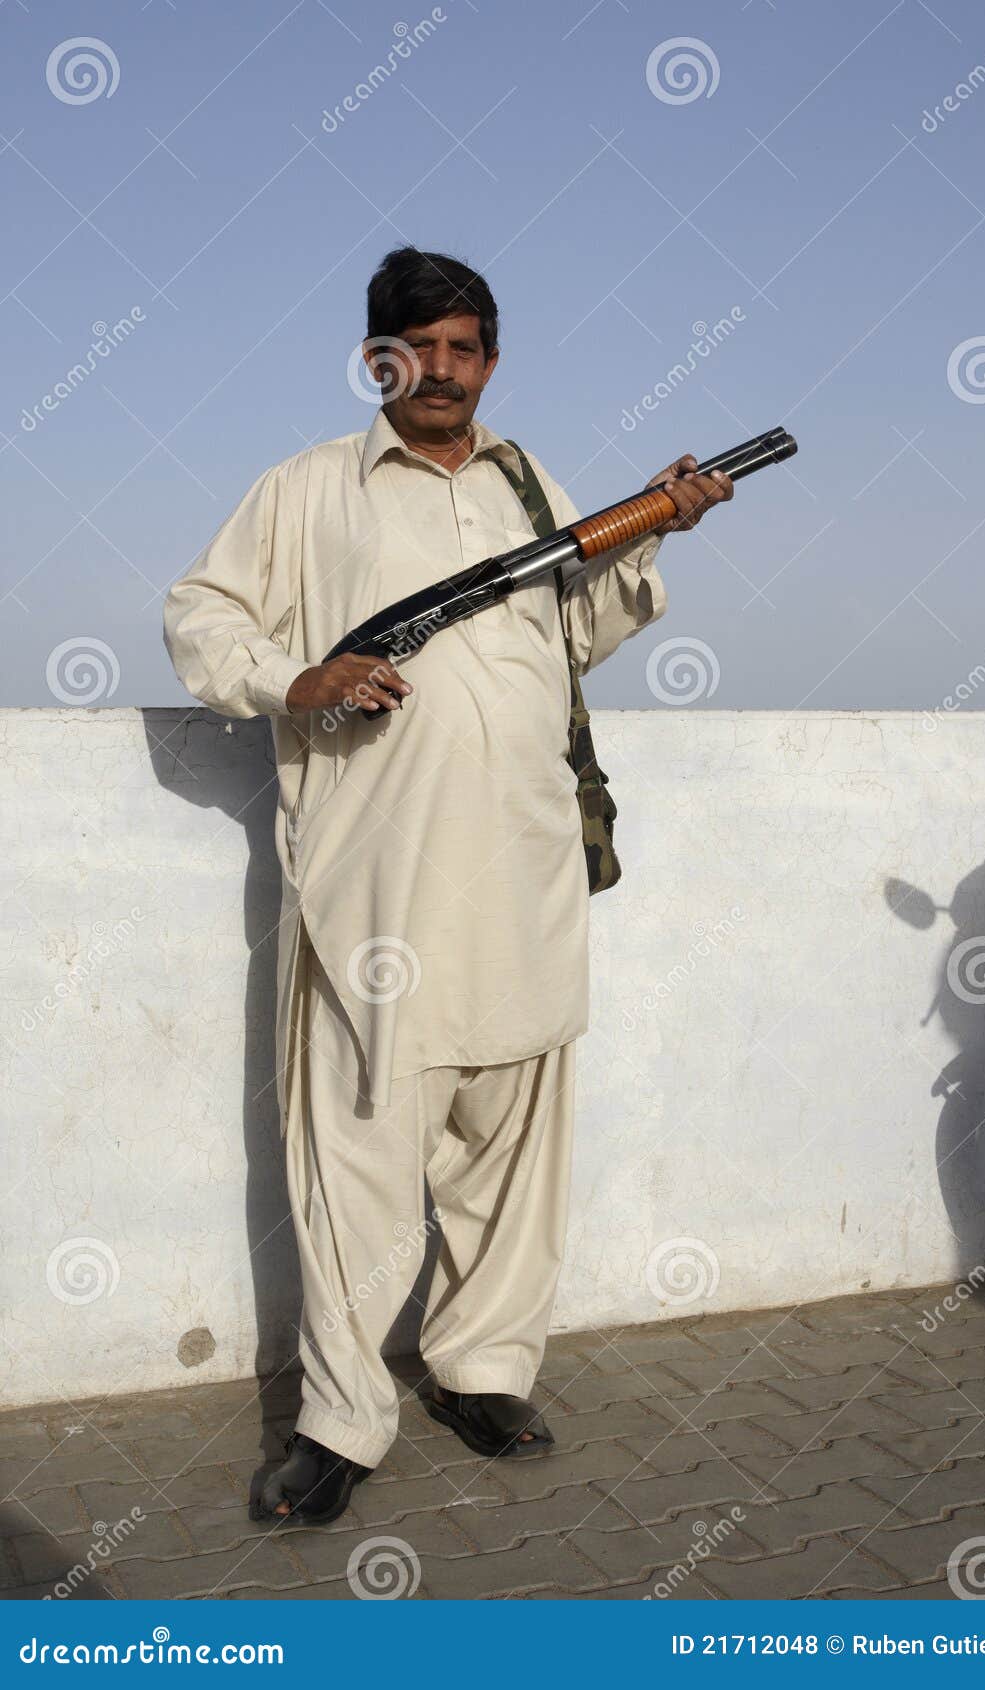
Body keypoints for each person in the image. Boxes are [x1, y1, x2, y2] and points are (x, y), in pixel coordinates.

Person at [163, 246, 732, 1526]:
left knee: (509, 1143)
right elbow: (201, 612)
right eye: (410, 348)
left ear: (490, 357)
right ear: (376, 361)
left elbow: (567, 635)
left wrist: (653, 529)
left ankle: (481, 1371)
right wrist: (289, 678)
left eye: (462, 346)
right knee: (359, 1159)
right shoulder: (309, 489)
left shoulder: (531, 484)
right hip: (379, 892)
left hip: (524, 869)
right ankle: (340, 1422)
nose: (439, 370)